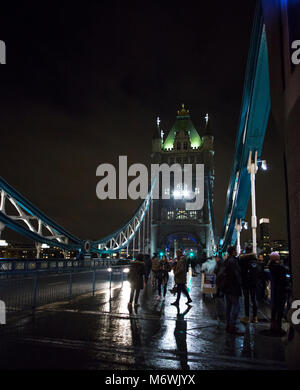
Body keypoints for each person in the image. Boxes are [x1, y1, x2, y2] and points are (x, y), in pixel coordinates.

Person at [223, 246, 244, 335]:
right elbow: (237, 274)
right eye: (235, 250)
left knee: (228, 307)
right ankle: (232, 326)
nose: (237, 252)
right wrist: (241, 284)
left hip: (226, 287)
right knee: (236, 307)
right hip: (233, 287)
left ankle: (228, 325)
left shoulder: (226, 261)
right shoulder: (234, 261)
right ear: (233, 252)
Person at [268, 252, 288, 336]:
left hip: (275, 290)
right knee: (279, 309)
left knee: (274, 308)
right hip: (280, 290)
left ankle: (273, 325)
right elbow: (285, 271)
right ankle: (278, 327)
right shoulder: (279, 267)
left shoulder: (271, 266)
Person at [238, 246, 258, 324]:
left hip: (245, 282)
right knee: (254, 299)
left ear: (245, 251)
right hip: (254, 282)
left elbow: (239, 269)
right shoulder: (255, 260)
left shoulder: (242, 259)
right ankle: (255, 317)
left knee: (246, 299)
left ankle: (247, 317)